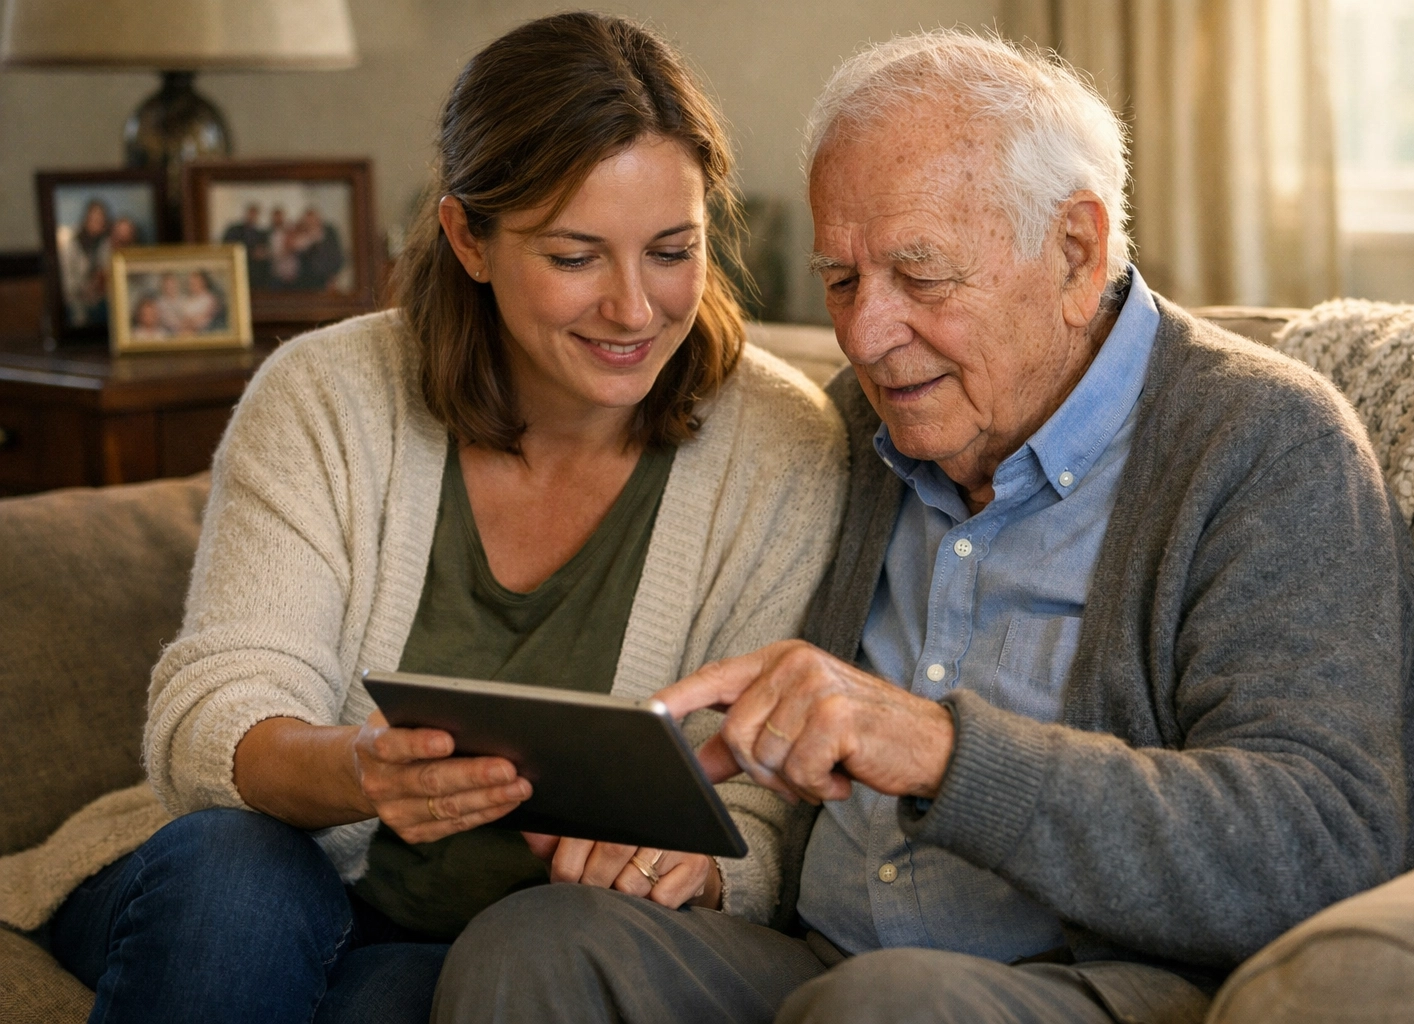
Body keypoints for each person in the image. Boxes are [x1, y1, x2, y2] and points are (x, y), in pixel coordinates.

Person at [433, 30, 1414, 1024]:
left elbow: (1321, 844)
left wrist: (939, 750)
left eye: (923, 278)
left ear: (1075, 251)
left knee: (888, 1003)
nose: (869, 337)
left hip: (1115, 983)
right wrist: (691, 849)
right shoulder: (845, 430)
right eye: (841, 280)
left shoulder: (1265, 445)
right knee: (533, 945)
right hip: (816, 962)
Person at [42, 12, 844, 1024]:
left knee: (418, 995)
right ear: (469, 236)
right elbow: (217, 705)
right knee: (239, 880)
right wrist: (360, 772)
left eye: (672, 251)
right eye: (576, 256)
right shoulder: (327, 395)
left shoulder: (783, 448)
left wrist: (696, 868)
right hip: (240, 873)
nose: (635, 309)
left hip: (489, 936)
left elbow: (761, 802)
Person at [56, 198, 112, 327]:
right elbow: (65, 279)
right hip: (75, 300)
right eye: (94, 219)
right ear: (86, 219)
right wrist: (83, 289)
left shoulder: (106, 244)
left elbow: (107, 271)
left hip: (100, 300)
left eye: (100, 220)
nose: (97, 223)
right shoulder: (72, 245)